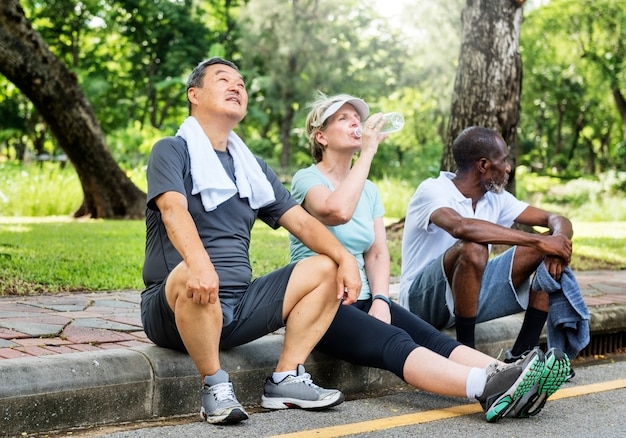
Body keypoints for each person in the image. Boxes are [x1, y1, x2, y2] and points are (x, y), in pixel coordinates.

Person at [289, 92, 570, 422]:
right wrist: (368, 152)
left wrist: (380, 298)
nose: (356, 121)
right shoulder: (307, 179)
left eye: (357, 116)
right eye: (344, 118)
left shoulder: (370, 190)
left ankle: (512, 373)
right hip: (321, 304)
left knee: (429, 337)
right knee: (395, 341)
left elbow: (378, 253)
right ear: (320, 136)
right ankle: (485, 385)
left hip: (364, 298)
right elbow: (335, 210)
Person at [140, 58, 364, 426]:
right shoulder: (171, 150)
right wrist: (199, 264)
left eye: (241, 84)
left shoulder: (251, 167)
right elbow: (172, 211)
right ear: (193, 95)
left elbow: (303, 223)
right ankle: (214, 385)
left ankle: (286, 378)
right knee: (188, 272)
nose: (236, 87)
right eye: (224, 80)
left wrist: (345, 258)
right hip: (174, 305)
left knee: (327, 266)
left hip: (238, 305)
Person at [399, 126, 589, 372]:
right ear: (483, 165)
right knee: (473, 247)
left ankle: (521, 357)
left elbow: (557, 219)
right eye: (504, 160)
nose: (509, 167)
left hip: (467, 295)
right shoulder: (433, 190)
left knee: (548, 247)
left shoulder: (495, 198)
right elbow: (460, 227)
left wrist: (557, 240)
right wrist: (538, 241)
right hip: (421, 302)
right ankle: (466, 358)